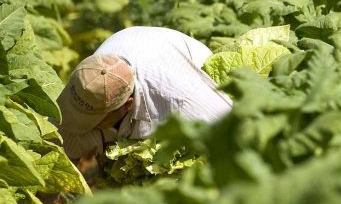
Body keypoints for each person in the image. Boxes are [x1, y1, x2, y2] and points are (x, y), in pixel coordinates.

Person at [57, 26, 232, 162]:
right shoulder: (91, 75)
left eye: (93, 120)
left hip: (190, 73)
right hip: (138, 44)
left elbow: (234, 134)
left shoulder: (184, 101)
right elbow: (60, 151)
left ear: (127, 104)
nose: (83, 124)